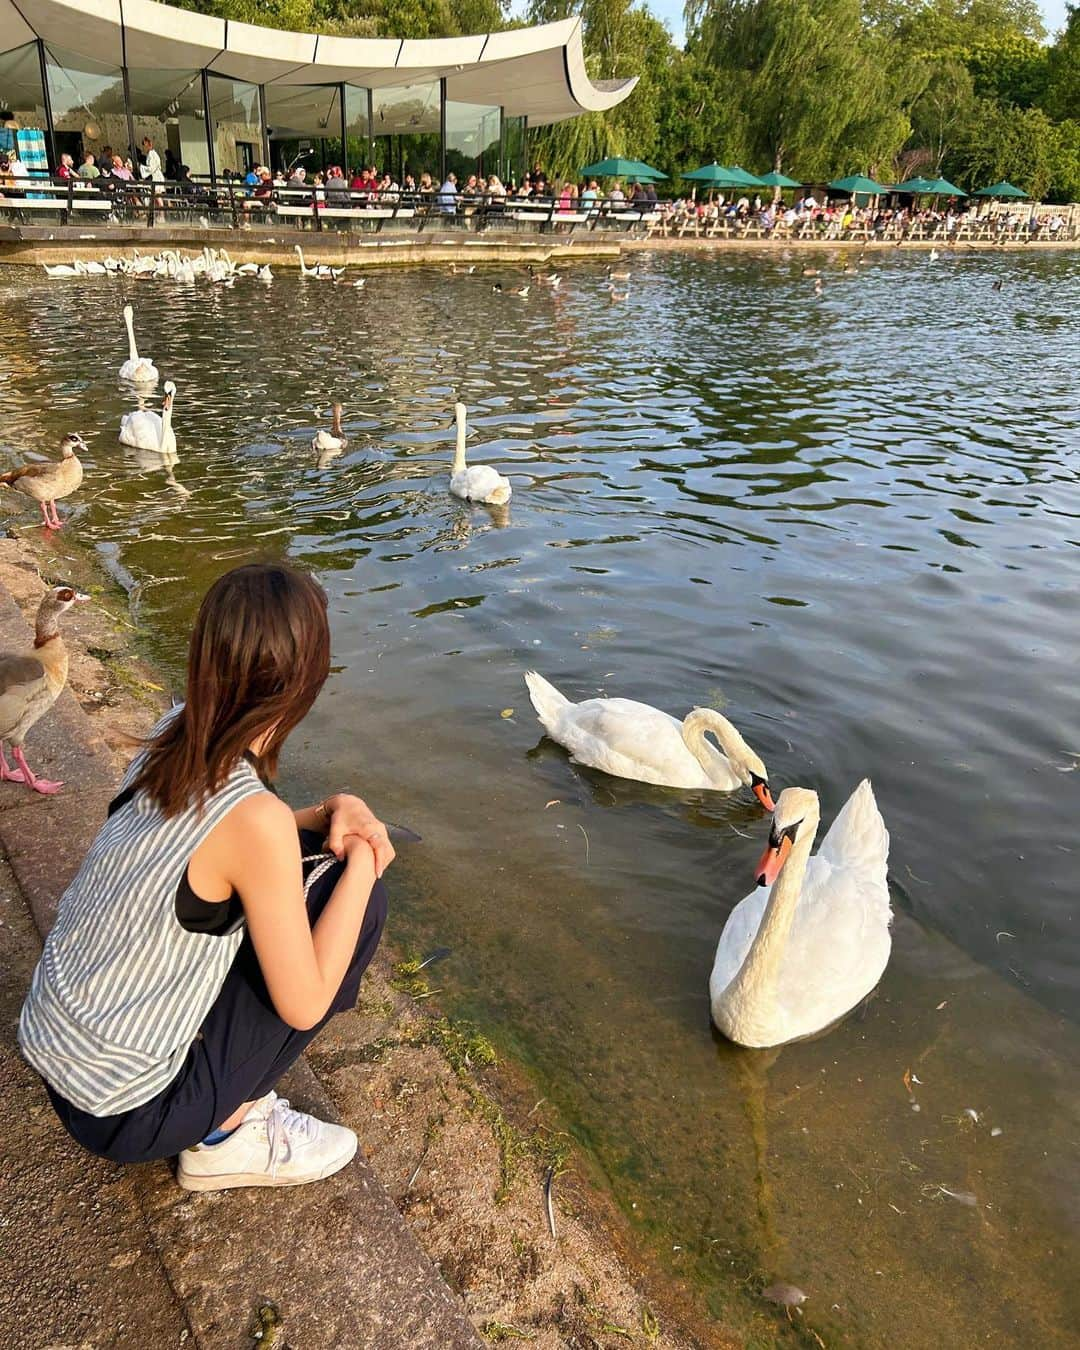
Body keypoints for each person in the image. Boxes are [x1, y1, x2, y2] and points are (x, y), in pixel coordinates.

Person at [19, 563, 392, 1190]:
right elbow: (303, 1005)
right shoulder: (254, 819)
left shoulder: (176, 729)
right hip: (126, 1111)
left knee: (306, 874)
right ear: (306, 684)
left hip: (60, 1048)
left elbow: (232, 845)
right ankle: (225, 1137)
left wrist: (330, 811)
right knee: (357, 904)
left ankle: (217, 1106)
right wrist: (362, 860)